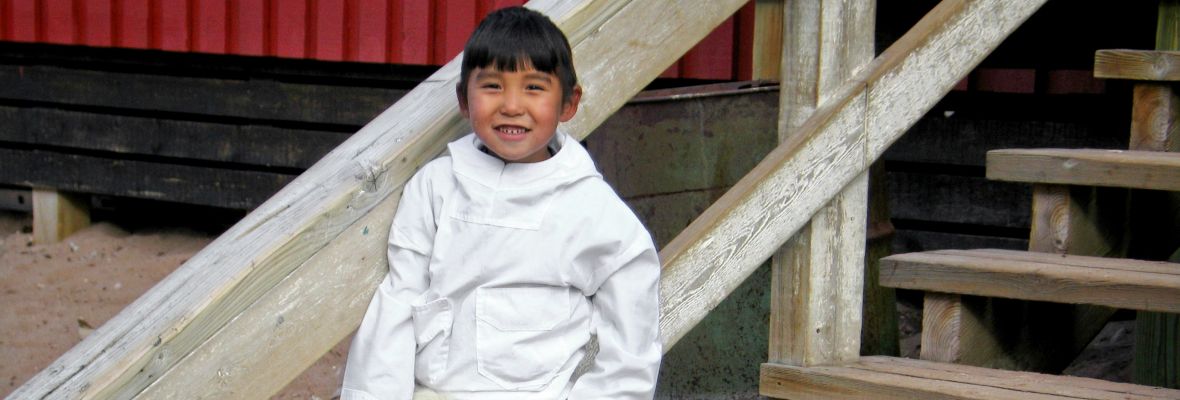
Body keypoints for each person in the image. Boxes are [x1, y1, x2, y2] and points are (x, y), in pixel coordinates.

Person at [341, 6, 662, 399]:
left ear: (568, 103)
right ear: (464, 99)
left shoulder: (590, 208)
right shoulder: (436, 188)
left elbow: (632, 340)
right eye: (492, 86)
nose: (511, 105)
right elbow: (398, 304)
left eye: (534, 87)